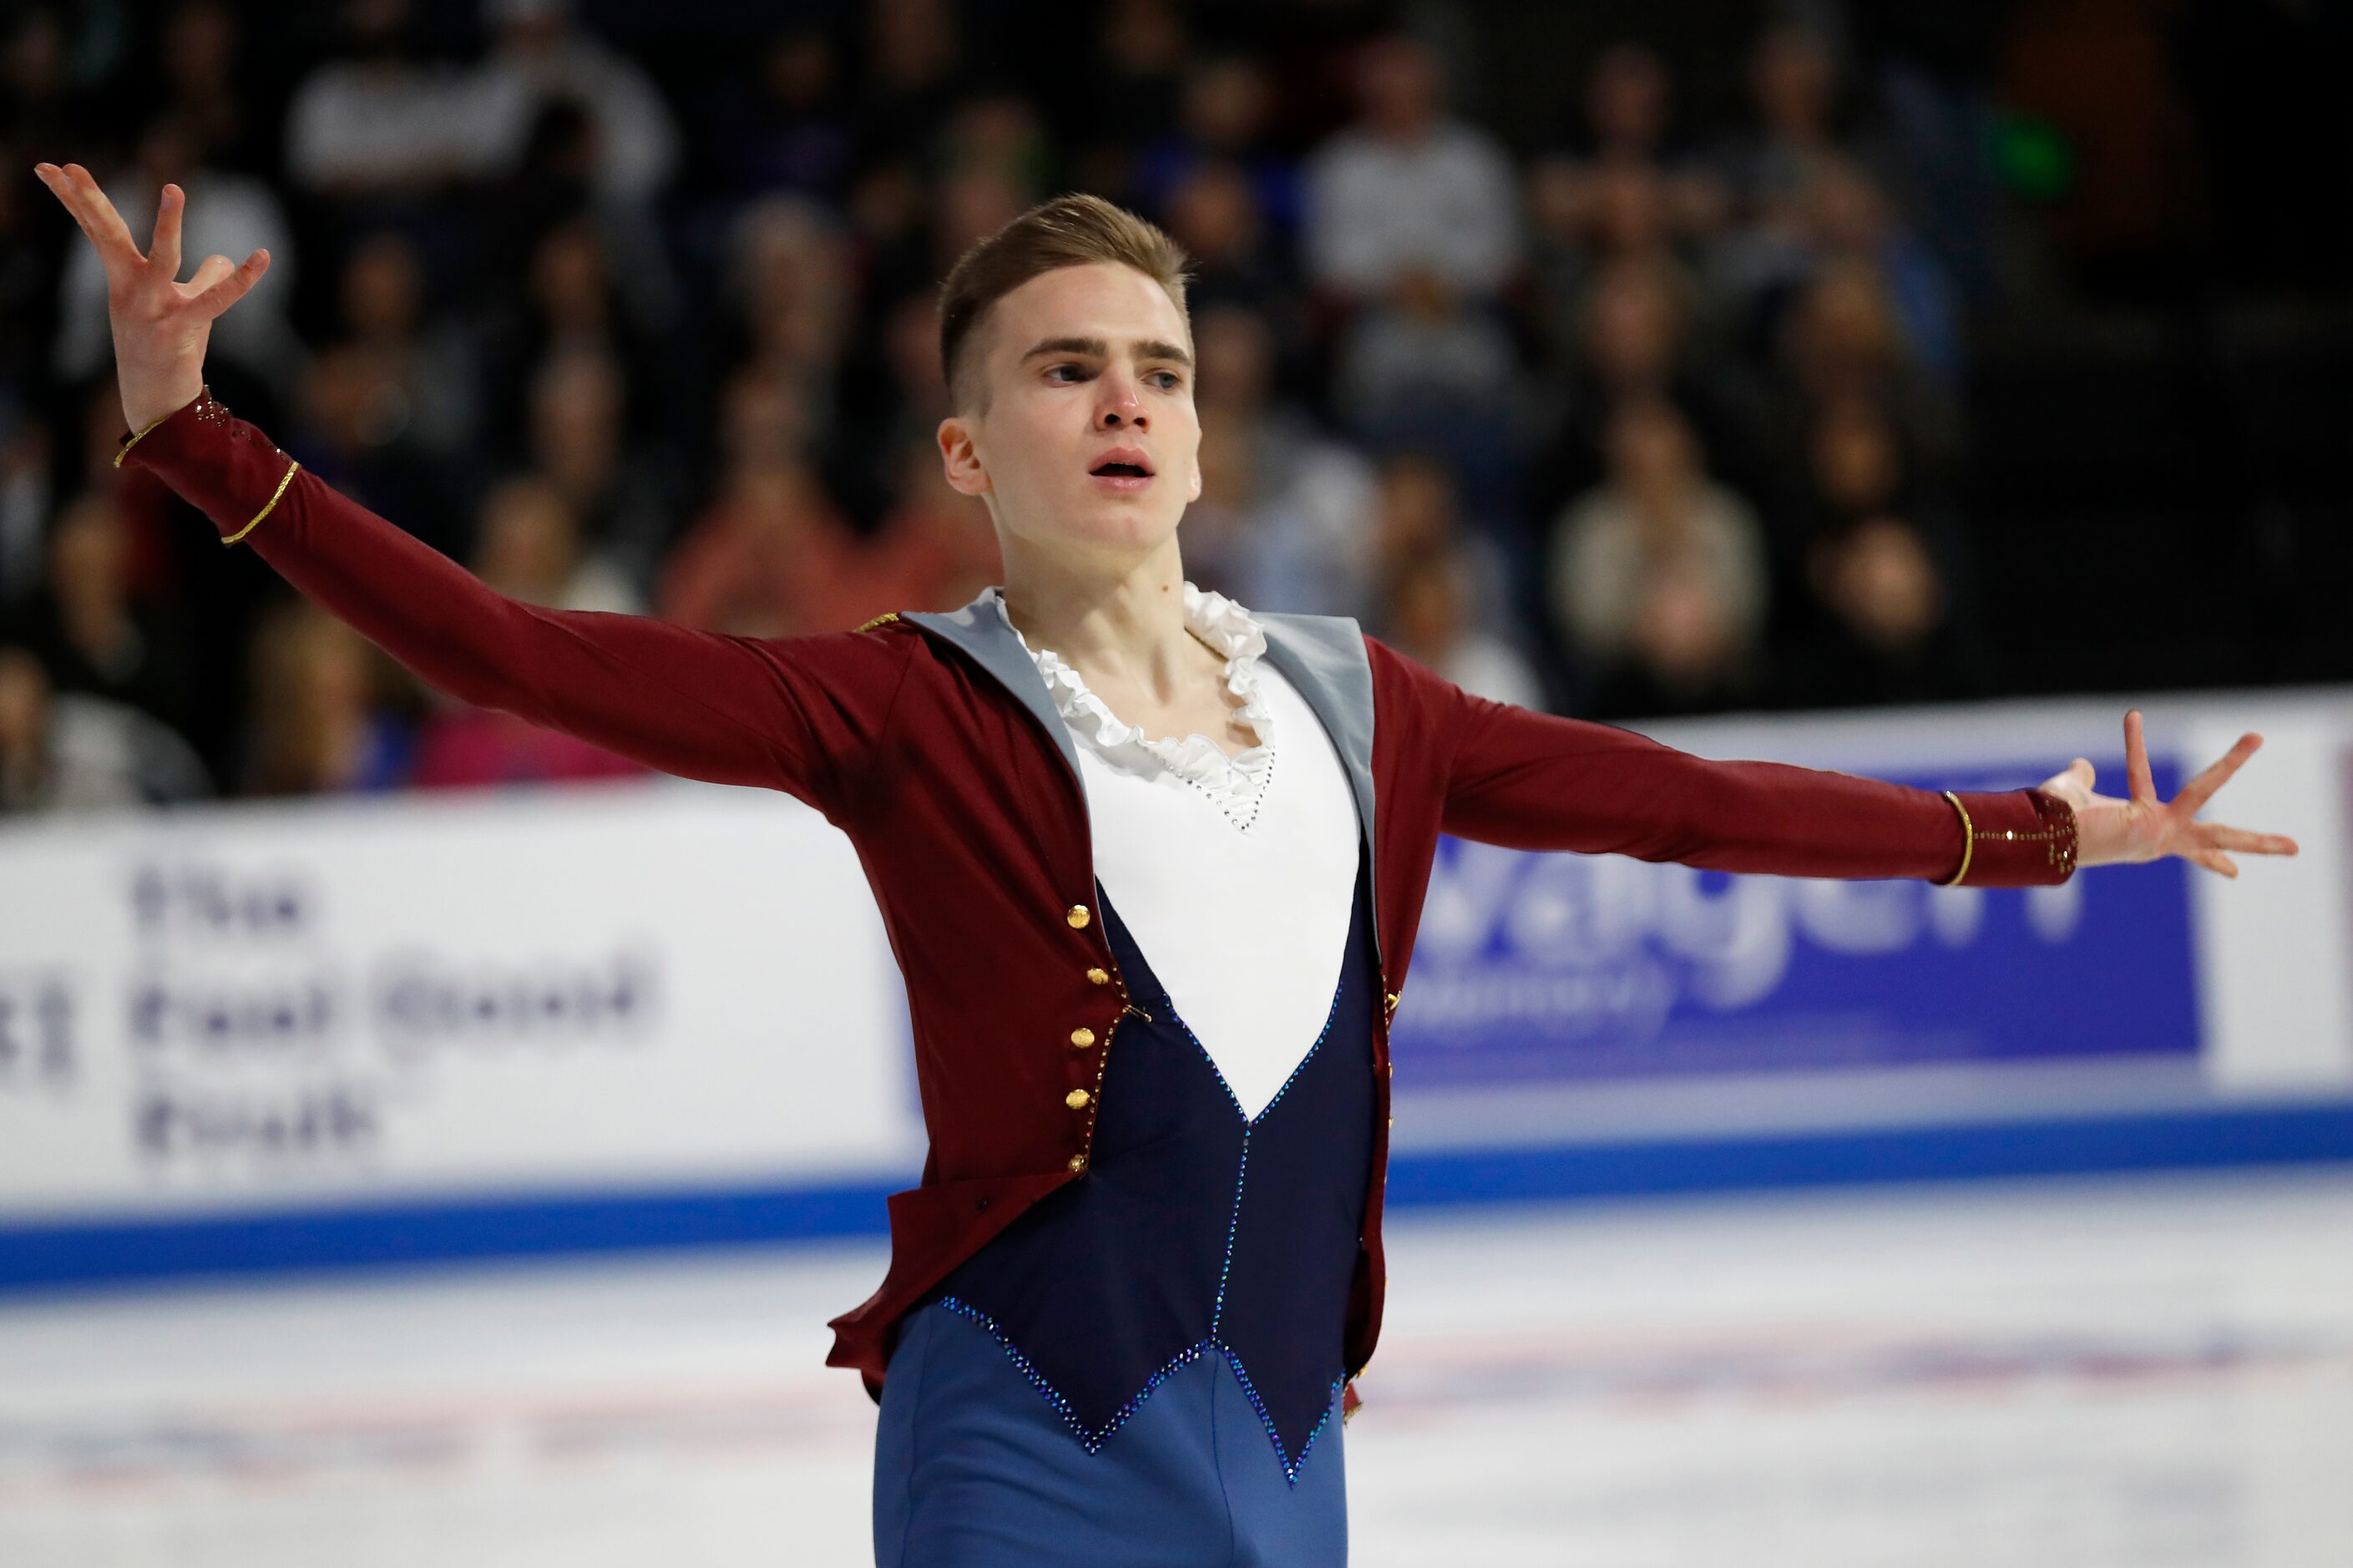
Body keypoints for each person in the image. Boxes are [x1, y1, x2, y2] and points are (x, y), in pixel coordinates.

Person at [35, 164, 2298, 1565]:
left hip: (1289, 1463)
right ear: (962, 445)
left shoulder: (1360, 700)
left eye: (1154, 366)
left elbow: (1676, 802)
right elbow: (512, 643)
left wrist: (2021, 837)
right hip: (1021, 1438)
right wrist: (192, 438)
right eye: (1057, 370)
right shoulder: (897, 708)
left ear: (1206, 428)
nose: (1117, 399)